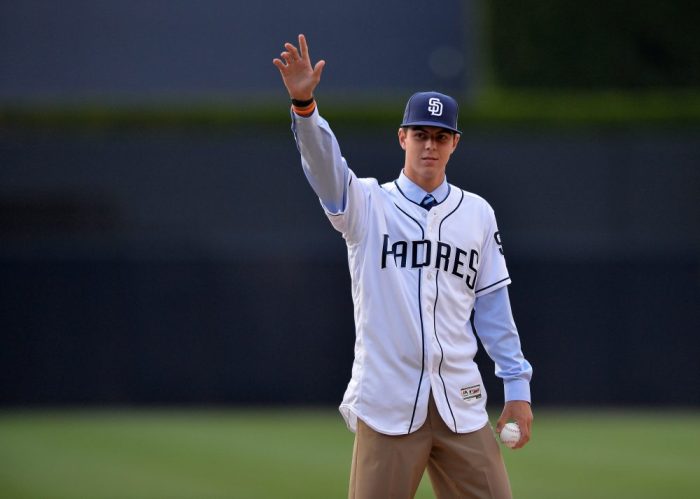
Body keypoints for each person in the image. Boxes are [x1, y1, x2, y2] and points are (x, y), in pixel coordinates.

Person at [273, 34, 533, 499]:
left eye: (439, 136)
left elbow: (493, 305)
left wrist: (517, 386)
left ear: (454, 142)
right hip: (388, 402)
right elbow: (324, 167)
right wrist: (305, 105)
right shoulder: (367, 204)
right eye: (420, 134)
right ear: (402, 137)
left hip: (461, 401)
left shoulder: (477, 213)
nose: (428, 145)